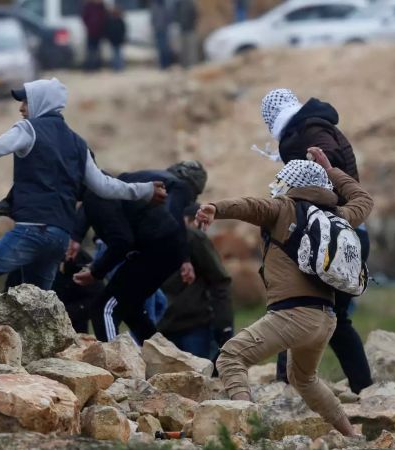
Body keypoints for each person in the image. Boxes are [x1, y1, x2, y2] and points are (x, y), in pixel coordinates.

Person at [0, 78, 166, 290]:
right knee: (38, 307)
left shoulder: (29, 130)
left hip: (31, 231)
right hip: (59, 237)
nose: (21, 108)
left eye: (25, 102)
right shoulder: (78, 143)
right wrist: (144, 190)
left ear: (41, 102)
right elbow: (104, 186)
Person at [198, 148, 370, 437]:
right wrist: (331, 170)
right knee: (303, 379)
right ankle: (352, 436)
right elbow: (364, 199)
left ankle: (249, 432)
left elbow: (252, 206)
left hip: (293, 315)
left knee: (230, 357)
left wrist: (217, 208)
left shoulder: (284, 208)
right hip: (326, 319)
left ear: (293, 184)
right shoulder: (338, 215)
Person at [258, 88, 373, 395]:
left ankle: (288, 388)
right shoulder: (317, 126)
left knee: (294, 308)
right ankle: (364, 390)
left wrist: (313, 174)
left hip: (330, 237)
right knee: (329, 318)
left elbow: (325, 163)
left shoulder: (310, 131)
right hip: (345, 234)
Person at [75, 161, 206, 345]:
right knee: (132, 309)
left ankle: (117, 366)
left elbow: (122, 241)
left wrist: (96, 271)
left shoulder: (98, 194)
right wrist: (184, 257)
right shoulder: (112, 187)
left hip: (153, 249)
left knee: (104, 308)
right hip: (164, 249)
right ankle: (160, 358)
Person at [157, 203, 233, 361]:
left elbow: (219, 282)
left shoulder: (192, 238)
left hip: (188, 327)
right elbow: (220, 281)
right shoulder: (190, 237)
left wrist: (224, 325)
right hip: (172, 328)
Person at [81, 0, 108, 71]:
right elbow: (84, 17)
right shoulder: (89, 6)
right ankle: (91, 67)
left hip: (97, 32)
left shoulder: (100, 7)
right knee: (91, 51)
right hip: (92, 32)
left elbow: (104, 18)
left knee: (95, 51)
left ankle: (96, 66)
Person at [150, 0, 174, 69]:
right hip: (158, 29)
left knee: (165, 47)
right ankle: (163, 65)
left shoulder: (164, 5)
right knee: (160, 48)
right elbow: (153, 17)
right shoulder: (155, 5)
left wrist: (166, 25)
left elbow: (169, 16)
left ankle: (167, 64)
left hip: (164, 29)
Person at [174, 0, 198, 67]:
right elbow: (176, 15)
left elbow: (195, 14)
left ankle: (192, 67)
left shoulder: (191, 3)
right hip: (183, 29)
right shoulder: (179, 3)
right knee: (184, 51)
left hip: (190, 29)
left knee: (191, 51)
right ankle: (185, 67)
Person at [105, 6, 127, 72]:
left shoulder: (118, 21)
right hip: (115, 40)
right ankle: (117, 67)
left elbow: (123, 30)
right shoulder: (113, 21)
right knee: (117, 54)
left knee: (117, 54)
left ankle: (118, 67)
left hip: (117, 40)